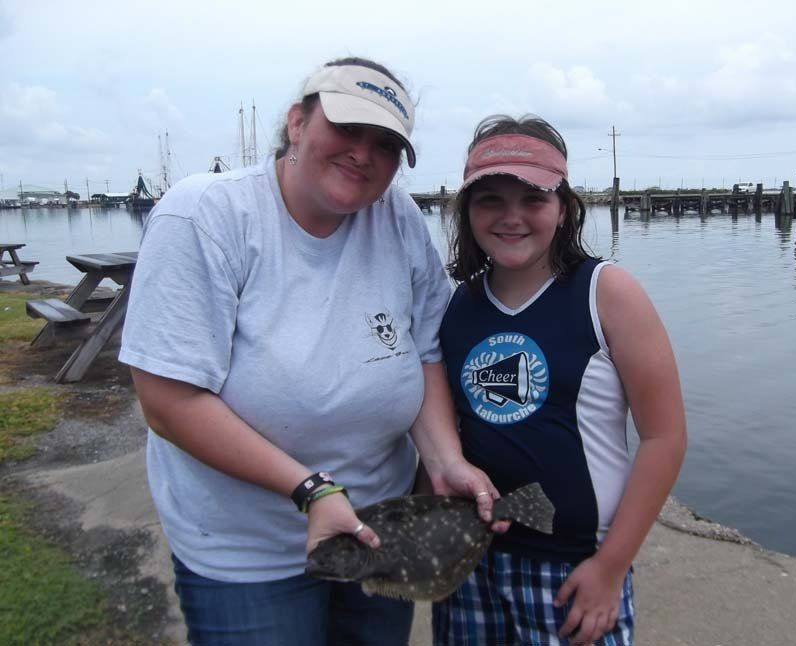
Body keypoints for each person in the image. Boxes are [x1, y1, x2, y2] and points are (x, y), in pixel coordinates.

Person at [119, 57, 502, 646]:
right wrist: (313, 491)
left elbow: (424, 353)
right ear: (296, 123)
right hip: (247, 554)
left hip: (380, 530)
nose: (363, 153)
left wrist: (445, 459)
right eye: (347, 129)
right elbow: (168, 401)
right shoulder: (205, 216)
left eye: (386, 144)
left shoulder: (397, 217)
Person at [432, 115, 687, 645]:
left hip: (574, 569)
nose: (511, 217)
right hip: (470, 561)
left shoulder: (607, 292)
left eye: (533, 199)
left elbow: (665, 438)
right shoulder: (460, 303)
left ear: (564, 208)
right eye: (490, 200)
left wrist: (612, 566)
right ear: (466, 212)